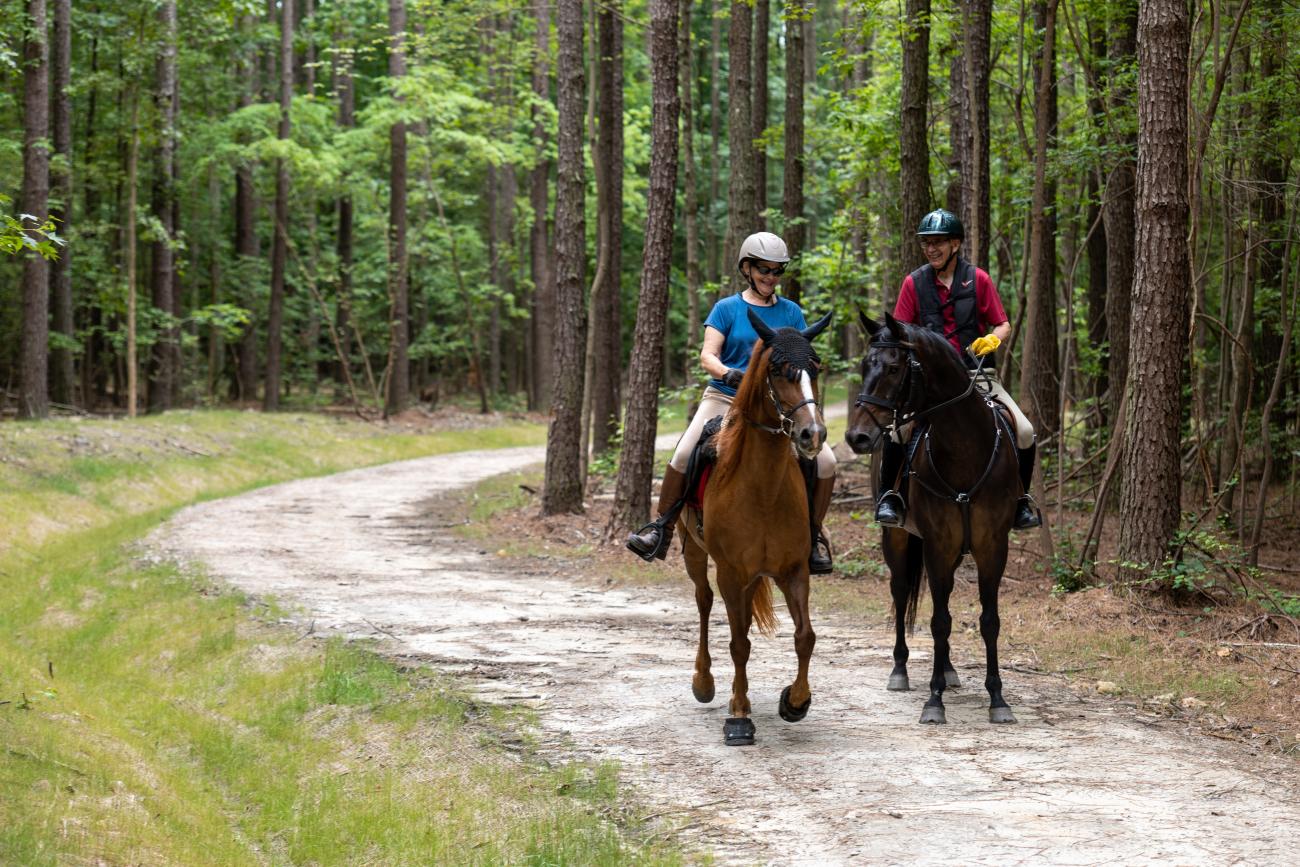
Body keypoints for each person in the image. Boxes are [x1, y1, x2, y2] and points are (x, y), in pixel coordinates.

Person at [626, 231, 837, 572]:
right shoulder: (726, 308)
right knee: (684, 452)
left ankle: (812, 537)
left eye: (777, 271)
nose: (771, 277)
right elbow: (707, 355)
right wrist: (727, 373)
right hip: (726, 397)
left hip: (777, 406)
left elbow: (800, 359)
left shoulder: (792, 313)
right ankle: (660, 528)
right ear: (747, 268)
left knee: (826, 462)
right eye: (764, 270)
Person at [875, 208, 1041, 531]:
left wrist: (992, 339)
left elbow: (1003, 323)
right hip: (930, 385)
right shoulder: (913, 284)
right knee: (896, 431)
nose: (931, 249)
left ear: (955, 244)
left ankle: (1021, 502)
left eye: (938, 242)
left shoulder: (978, 280)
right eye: (926, 243)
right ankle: (889, 497)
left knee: (1024, 430)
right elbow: (901, 331)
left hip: (978, 377)